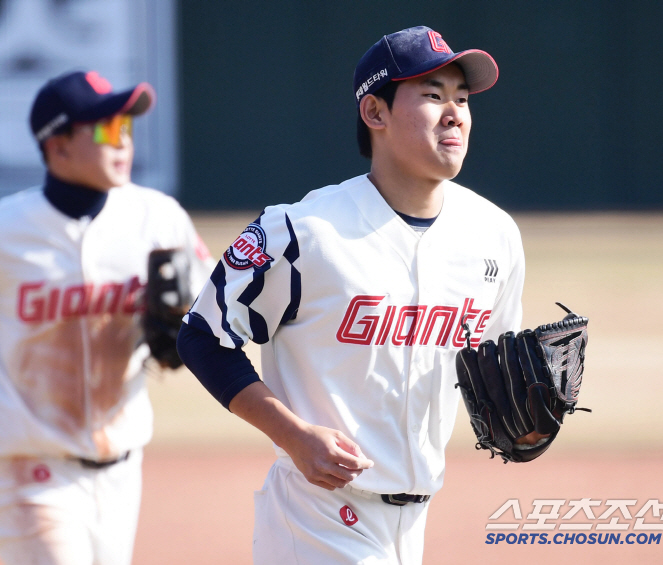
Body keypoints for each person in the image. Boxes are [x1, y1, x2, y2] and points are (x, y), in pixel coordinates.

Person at [178, 25, 535, 564]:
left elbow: (494, 364)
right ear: (375, 113)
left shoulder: (495, 234)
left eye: (462, 99)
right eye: (434, 95)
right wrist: (292, 434)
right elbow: (202, 337)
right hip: (318, 516)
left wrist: (524, 419)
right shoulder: (305, 231)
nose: (455, 113)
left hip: (415, 520)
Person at [0, 70, 213, 565]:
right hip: (30, 466)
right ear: (58, 146)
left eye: (127, 129)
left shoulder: (156, 217)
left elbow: (208, 312)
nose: (122, 143)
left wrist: (184, 329)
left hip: (122, 469)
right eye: (105, 130)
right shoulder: (9, 232)